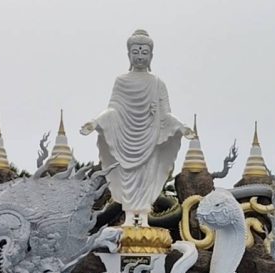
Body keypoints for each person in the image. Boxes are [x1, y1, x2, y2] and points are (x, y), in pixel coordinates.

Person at [80, 29, 194, 227]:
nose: (140, 56)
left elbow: (166, 113)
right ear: (129, 55)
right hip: (125, 141)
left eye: (144, 53)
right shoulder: (121, 81)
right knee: (127, 179)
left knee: (145, 180)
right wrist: (95, 122)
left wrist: (181, 127)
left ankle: (142, 218)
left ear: (151, 55)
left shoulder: (157, 83)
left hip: (150, 141)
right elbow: (113, 110)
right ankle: (129, 218)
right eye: (136, 52)